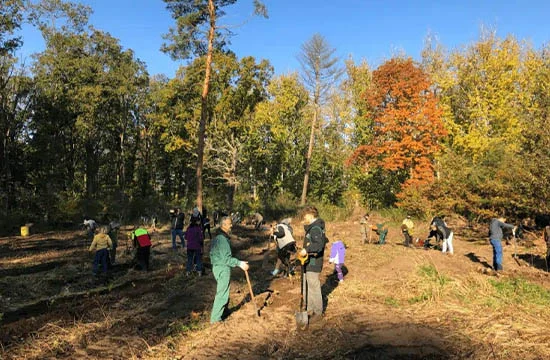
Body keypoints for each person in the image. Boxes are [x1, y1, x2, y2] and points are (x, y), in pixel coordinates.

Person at [210, 216, 249, 324]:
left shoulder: (218, 237)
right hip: (222, 267)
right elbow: (226, 259)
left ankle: (224, 312)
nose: (231, 225)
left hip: (218, 267)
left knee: (224, 290)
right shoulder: (222, 240)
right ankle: (215, 320)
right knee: (222, 293)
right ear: (224, 225)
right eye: (229, 224)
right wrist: (239, 263)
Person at [298, 206, 327, 323]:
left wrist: (307, 250)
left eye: (305, 217)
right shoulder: (312, 228)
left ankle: (318, 312)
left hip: (314, 262)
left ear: (310, 215)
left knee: (314, 287)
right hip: (309, 262)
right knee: (309, 285)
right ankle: (310, 309)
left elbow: (318, 246)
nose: (304, 219)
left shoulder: (315, 229)